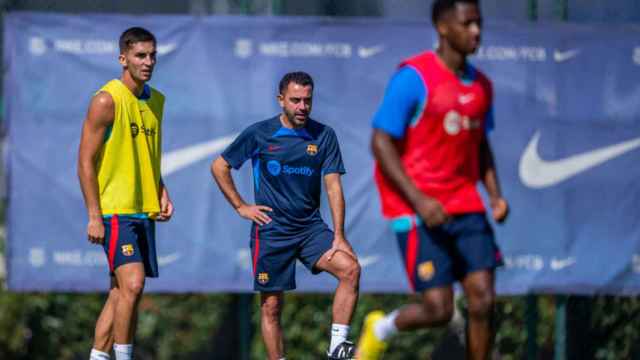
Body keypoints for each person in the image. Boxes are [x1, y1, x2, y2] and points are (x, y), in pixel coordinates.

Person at [356, 0, 508, 359]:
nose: (476, 32)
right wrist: (419, 200)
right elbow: (380, 142)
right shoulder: (414, 78)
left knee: (483, 299)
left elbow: (480, 144)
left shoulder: (482, 86)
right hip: (417, 207)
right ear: (442, 26)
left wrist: (495, 195)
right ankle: (380, 328)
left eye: (479, 23)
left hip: (465, 203)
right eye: (467, 23)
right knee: (439, 309)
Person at [211, 71, 360, 360]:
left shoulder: (324, 135)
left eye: (307, 100)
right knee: (271, 307)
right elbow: (219, 167)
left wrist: (339, 236)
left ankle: (337, 349)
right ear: (281, 100)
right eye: (295, 100)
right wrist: (241, 206)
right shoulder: (259, 134)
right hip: (271, 230)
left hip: (310, 230)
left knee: (351, 270)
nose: (302, 107)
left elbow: (333, 186)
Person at [77, 27, 173, 360]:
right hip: (114, 211)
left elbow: (148, 156)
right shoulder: (106, 100)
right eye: (140, 55)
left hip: (143, 209)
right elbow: (85, 162)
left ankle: (99, 356)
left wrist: (161, 190)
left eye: (152, 55)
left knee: (119, 293)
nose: (148, 62)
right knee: (133, 284)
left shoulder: (156, 101)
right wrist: (94, 215)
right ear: (123, 58)